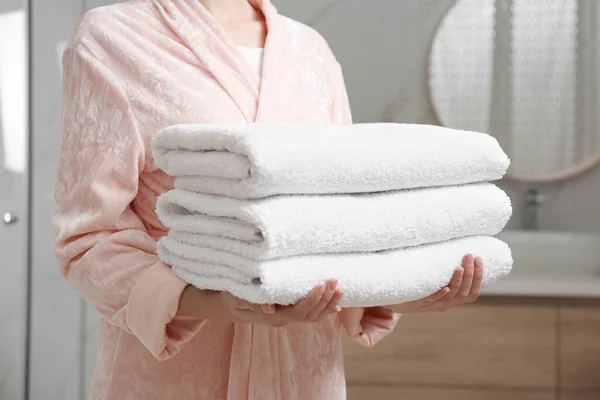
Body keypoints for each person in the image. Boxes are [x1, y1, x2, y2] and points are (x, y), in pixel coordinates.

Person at [53, 0, 484, 398]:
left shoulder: (309, 50)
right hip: (174, 378)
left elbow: (341, 219)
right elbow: (88, 237)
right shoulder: (114, 36)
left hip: (306, 376)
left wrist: (405, 286)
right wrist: (216, 299)